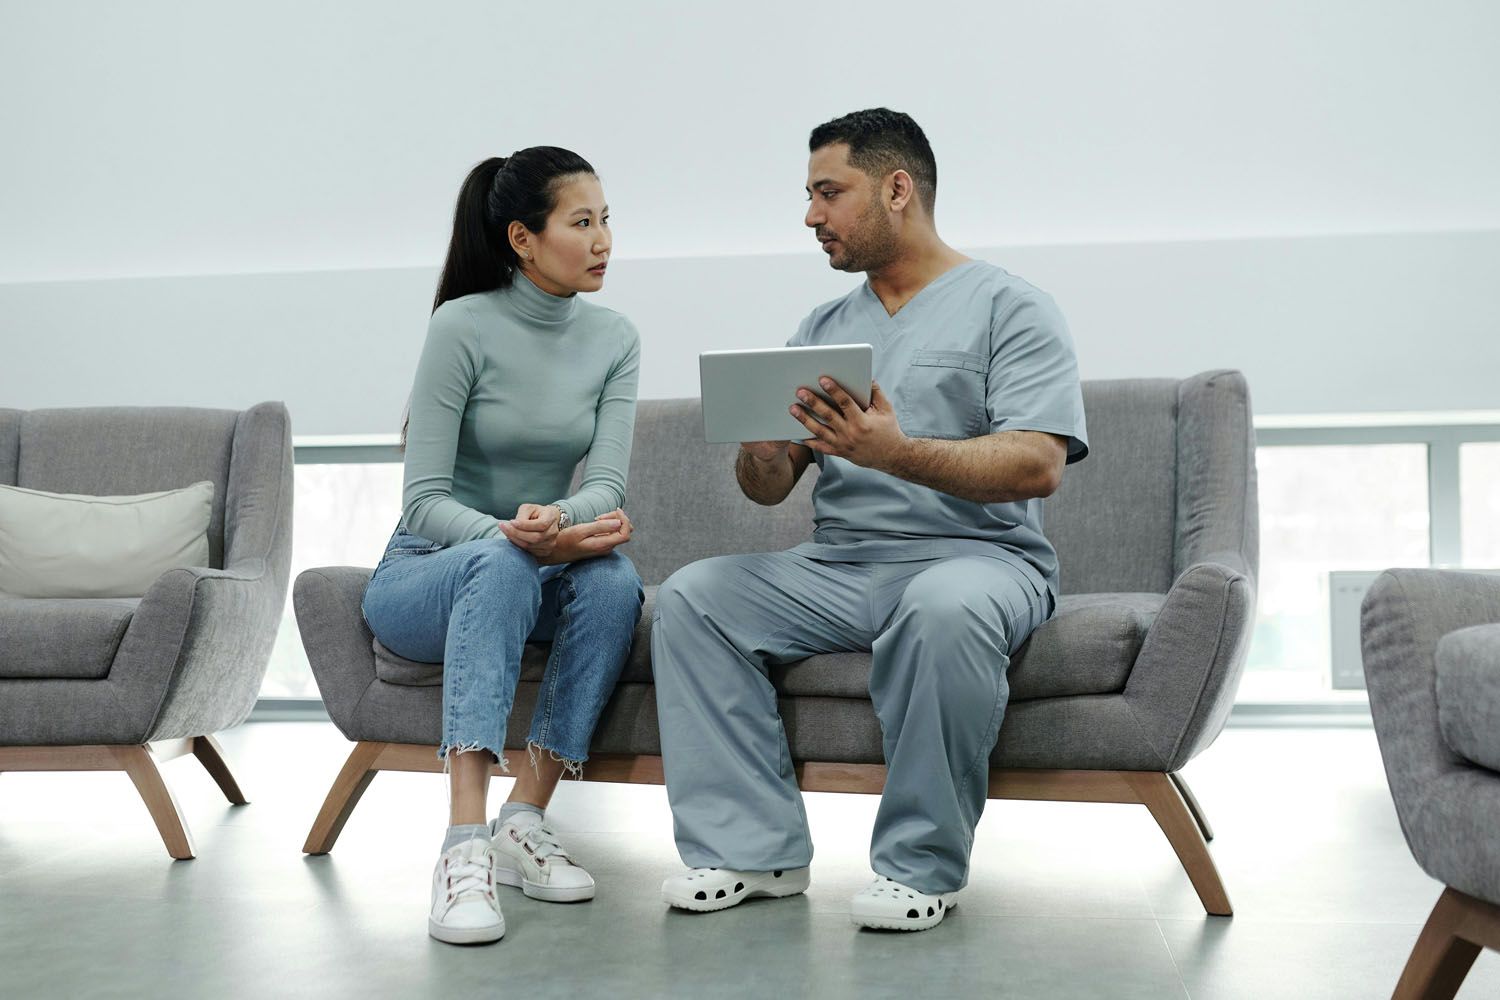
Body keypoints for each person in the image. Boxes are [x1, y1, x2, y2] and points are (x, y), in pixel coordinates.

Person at [652, 109, 1088, 932]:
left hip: (981, 560)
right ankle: (753, 851)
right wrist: (761, 452)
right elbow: (768, 489)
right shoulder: (820, 330)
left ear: (897, 189)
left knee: (943, 607)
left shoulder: (1012, 307)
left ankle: (920, 868)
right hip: (842, 566)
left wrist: (892, 451)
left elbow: (1039, 464)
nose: (812, 215)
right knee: (693, 596)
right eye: (810, 196)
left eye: (828, 193)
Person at [361, 147, 644, 945]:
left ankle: (524, 818)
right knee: (499, 559)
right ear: (524, 238)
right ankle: (462, 848)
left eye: (606, 219)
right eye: (581, 223)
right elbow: (422, 502)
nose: (603, 241)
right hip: (424, 574)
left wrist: (559, 528)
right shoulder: (461, 327)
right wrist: (516, 538)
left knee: (616, 580)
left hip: (531, 555)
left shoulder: (615, 337)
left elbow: (606, 484)